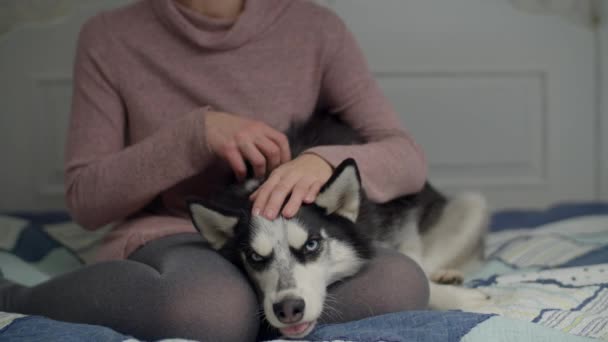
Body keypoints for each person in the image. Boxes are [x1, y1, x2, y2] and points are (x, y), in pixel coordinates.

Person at [0, 0, 430, 341]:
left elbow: (406, 158)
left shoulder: (316, 27)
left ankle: (248, 313)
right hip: (184, 230)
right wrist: (193, 137)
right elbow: (85, 201)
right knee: (210, 311)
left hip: (283, 237)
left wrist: (323, 162)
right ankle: (15, 295)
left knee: (401, 283)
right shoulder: (108, 37)